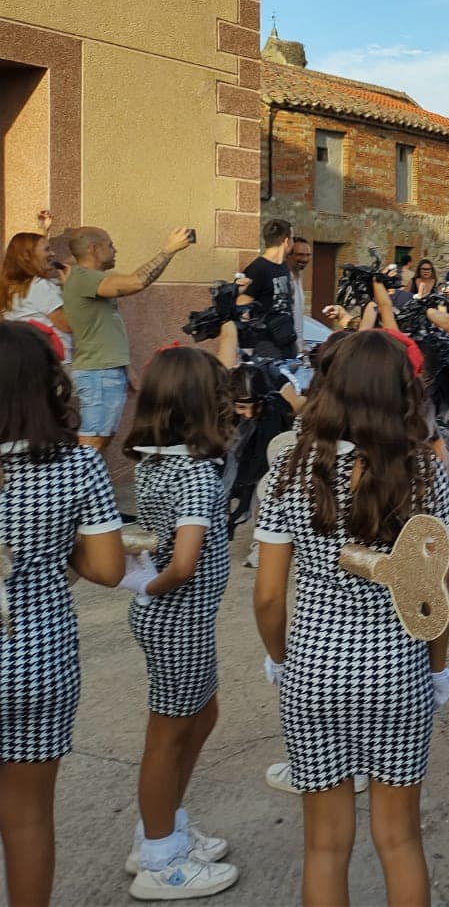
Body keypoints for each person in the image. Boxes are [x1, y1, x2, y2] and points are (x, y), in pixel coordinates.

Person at [253, 330, 449, 907]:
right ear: (401, 392)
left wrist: (279, 659)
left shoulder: (294, 467)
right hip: (397, 669)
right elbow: (436, 593)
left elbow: (268, 595)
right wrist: (438, 670)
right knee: (399, 839)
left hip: (312, 672)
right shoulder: (422, 471)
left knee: (323, 845)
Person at [0, 321, 126, 907]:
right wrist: (50, 553)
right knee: (27, 819)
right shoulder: (77, 466)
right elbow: (107, 568)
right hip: (38, 658)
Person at [120, 347, 239, 899]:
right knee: (168, 736)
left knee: (199, 715)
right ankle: (160, 858)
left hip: (177, 620)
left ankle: (161, 826)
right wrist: (149, 586)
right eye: (220, 399)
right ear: (199, 407)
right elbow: (184, 562)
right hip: (179, 620)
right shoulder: (193, 473)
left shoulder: (156, 461)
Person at [62, 225, 195, 451]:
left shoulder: (91, 279)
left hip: (106, 372)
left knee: (99, 443)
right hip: (98, 375)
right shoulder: (84, 278)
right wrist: (168, 250)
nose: (116, 250)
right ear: (94, 248)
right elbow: (136, 282)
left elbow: (103, 329)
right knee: (91, 445)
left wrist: (126, 368)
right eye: (110, 245)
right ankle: (80, 486)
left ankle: (93, 486)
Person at [2, 229, 73, 359]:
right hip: (53, 362)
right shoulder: (39, 286)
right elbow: (67, 325)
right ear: (28, 256)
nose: (53, 253)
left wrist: (44, 228)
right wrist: (70, 290)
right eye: (47, 249)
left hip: (25, 358)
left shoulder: (11, 287)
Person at [237, 218, 299, 361]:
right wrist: (246, 348)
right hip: (265, 346)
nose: (293, 243)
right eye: (293, 239)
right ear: (286, 241)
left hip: (287, 343)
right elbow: (242, 307)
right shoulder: (257, 269)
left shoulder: (284, 267)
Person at [288, 237, 312, 354]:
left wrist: (302, 344)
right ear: (289, 254)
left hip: (297, 348)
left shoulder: (300, 278)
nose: (305, 259)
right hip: (285, 347)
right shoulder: (285, 278)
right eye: (300, 255)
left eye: (308, 255)